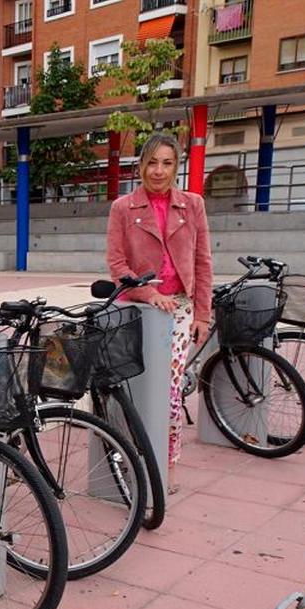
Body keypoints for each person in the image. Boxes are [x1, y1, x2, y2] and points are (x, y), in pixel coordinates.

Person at [105, 131, 213, 491]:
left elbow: (202, 261)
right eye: (152, 162)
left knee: (168, 391)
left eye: (167, 163)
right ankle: (123, 459)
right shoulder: (123, 207)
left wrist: (202, 314)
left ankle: (167, 464)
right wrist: (148, 293)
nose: (158, 171)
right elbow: (117, 264)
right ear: (140, 165)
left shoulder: (192, 204)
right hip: (135, 311)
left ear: (176, 166)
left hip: (178, 312)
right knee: (130, 389)